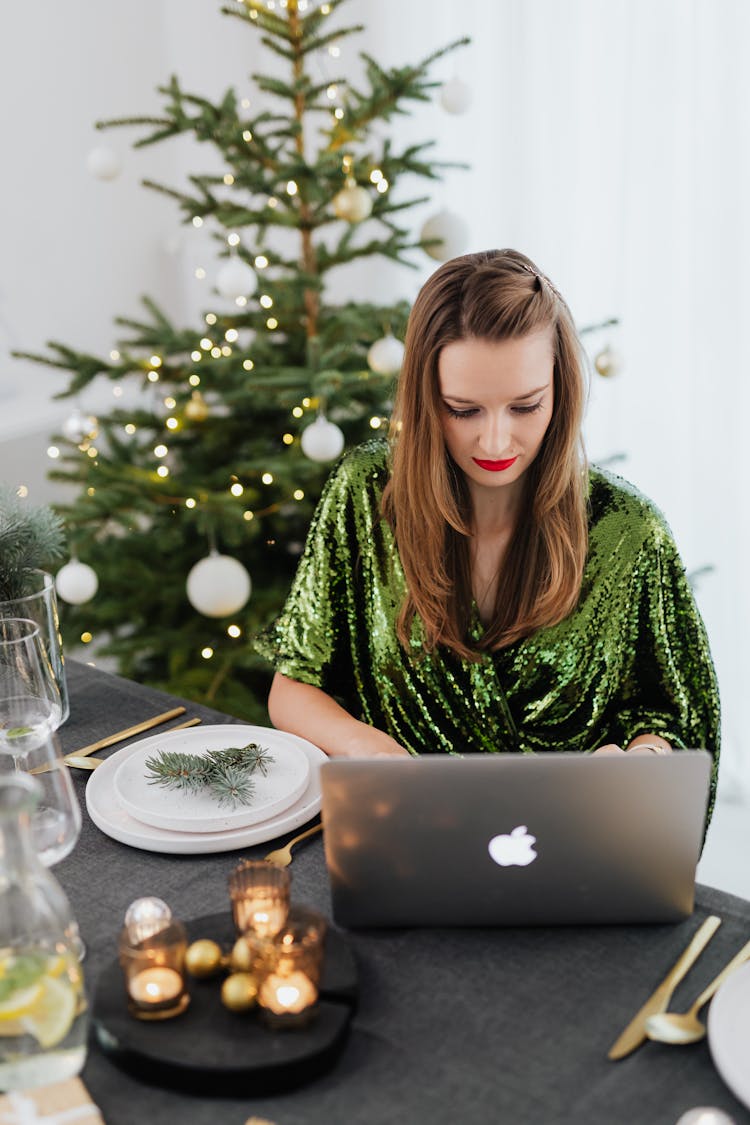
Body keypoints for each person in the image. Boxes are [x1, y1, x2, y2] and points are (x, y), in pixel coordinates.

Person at [255, 249, 720, 811]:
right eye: (464, 410)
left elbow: (676, 718)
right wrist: (372, 752)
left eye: (525, 407)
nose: (497, 444)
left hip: (576, 848)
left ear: (561, 391)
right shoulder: (367, 495)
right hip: (405, 830)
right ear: (427, 401)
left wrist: (640, 763)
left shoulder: (628, 531)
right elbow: (295, 684)